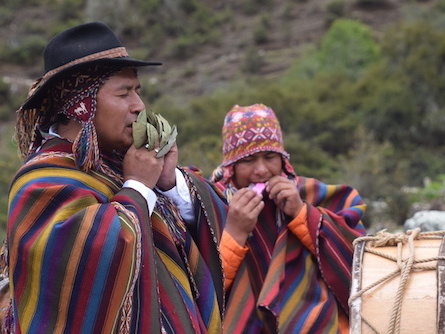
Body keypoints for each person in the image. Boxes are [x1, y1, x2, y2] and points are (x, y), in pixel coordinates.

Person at [5, 21, 227, 333]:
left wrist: (168, 183)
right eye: (124, 93)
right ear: (82, 105)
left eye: (138, 91)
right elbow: (82, 267)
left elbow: (221, 229)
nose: (139, 106)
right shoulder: (43, 182)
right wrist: (137, 188)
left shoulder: (125, 164)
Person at [210, 103, 367, 333]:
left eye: (270, 156)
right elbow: (204, 293)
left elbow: (359, 256)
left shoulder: (308, 193)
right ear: (231, 166)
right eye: (248, 160)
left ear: (283, 159)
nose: (262, 170)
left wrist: (302, 213)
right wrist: (235, 232)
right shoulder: (212, 204)